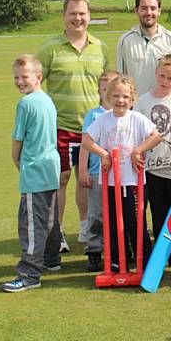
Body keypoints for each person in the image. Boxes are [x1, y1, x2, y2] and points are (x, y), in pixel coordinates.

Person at [37, 0, 110, 253]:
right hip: (62, 126)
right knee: (62, 178)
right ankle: (56, 233)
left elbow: (106, 87)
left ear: (89, 16)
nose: (78, 18)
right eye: (73, 13)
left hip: (94, 127)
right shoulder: (50, 48)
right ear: (64, 16)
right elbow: (35, 85)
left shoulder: (100, 47)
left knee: (87, 179)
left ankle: (84, 227)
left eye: (82, 13)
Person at [82, 76, 160, 271]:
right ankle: (117, 261)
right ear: (108, 96)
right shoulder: (103, 120)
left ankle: (145, 261)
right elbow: (87, 140)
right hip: (110, 182)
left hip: (133, 181)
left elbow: (156, 136)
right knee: (113, 223)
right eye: (116, 95)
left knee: (136, 222)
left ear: (132, 98)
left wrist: (138, 151)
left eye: (125, 96)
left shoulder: (137, 119)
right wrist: (104, 154)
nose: (120, 100)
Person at [1, 55, 61, 292]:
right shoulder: (46, 99)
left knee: (31, 224)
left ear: (38, 77)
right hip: (51, 168)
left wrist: (16, 159)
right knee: (49, 219)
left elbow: (18, 139)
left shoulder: (26, 104)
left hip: (35, 170)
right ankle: (52, 259)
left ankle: (29, 274)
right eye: (16, 77)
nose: (19, 81)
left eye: (24, 77)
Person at [134, 55, 171, 267]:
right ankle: (162, 249)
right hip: (152, 169)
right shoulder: (142, 102)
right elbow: (138, 135)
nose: (165, 80)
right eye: (162, 76)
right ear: (155, 73)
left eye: (170, 77)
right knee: (158, 211)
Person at [78, 70, 120, 272]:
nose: (109, 93)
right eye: (105, 89)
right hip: (97, 173)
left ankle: (121, 249)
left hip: (121, 173)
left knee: (118, 212)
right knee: (97, 214)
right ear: (99, 91)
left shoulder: (125, 114)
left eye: (112, 88)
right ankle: (94, 250)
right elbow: (85, 143)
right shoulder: (94, 114)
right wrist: (83, 170)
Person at [116, 0, 171, 95]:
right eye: (144, 8)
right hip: (136, 106)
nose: (149, 13)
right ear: (136, 10)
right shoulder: (125, 40)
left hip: (164, 106)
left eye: (153, 8)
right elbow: (121, 78)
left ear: (159, 11)